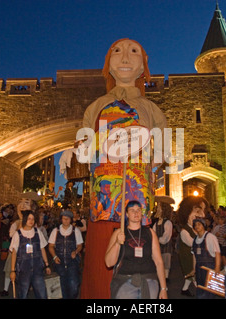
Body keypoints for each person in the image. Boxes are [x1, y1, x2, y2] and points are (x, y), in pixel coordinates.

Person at [80, 38, 167, 299]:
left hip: (135, 199)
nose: (125, 58)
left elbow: (164, 150)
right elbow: (85, 145)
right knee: (102, 261)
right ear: (108, 65)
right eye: (117, 52)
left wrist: (149, 158)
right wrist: (74, 151)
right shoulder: (95, 106)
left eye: (134, 52)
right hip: (105, 199)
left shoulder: (152, 109)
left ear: (143, 67)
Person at [105, 201, 168, 299]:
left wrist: (163, 288)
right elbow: (109, 263)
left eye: (138, 210)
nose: (136, 213)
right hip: (125, 281)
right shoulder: (119, 233)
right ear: (127, 214)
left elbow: (159, 262)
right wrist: (117, 243)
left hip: (148, 280)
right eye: (132, 210)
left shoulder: (150, 233)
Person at [9, 210, 51, 299]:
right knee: (23, 294)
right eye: (29, 219)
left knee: (42, 294)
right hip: (23, 269)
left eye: (32, 219)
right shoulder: (18, 234)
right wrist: (12, 271)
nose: (31, 221)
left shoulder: (37, 232)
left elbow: (42, 248)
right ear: (24, 220)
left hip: (37, 268)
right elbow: (14, 253)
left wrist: (47, 264)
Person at [48, 210, 83, 299]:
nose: (66, 220)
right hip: (59, 261)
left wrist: (76, 251)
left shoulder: (76, 231)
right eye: (64, 218)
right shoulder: (55, 231)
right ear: (61, 219)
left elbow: (80, 245)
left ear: (71, 220)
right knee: (62, 285)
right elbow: (51, 246)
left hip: (72, 262)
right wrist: (54, 256)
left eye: (68, 219)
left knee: (74, 285)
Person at [177, 196, 207, 296]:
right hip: (189, 259)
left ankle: (184, 290)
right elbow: (194, 243)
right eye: (198, 211)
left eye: (203, 211)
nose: (202, 215)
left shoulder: (195, 228)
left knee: (191, 277)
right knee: (195, 277)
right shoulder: (185, 231)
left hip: (196, 258)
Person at [190, 218, 220, 299]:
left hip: (209, 267)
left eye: (199, 224)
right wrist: (194, 269)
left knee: (209, 292)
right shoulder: (195, 239)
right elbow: (194, 255)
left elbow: (217, 252)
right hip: (199, 268)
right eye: (195, 225)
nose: (197, 227)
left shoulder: (210, 237)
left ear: (204, 225)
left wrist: (217, 268)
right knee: (200, 289)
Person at [152, 201, 173, 282]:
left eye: (159, 207)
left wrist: (156, 239)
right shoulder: (156, 224)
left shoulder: (167, 222)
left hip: (165, 250)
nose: (157, 209)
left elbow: (165, 239)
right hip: (158, 250)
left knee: (165, 268)